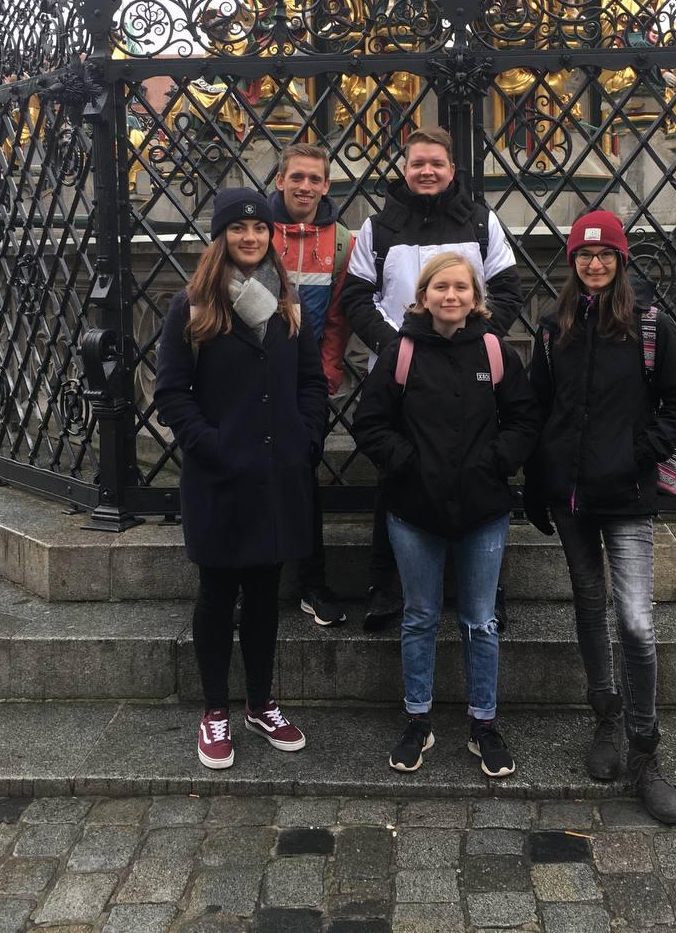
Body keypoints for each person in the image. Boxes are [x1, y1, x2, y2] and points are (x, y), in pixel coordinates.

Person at [524, 209, 676, 823]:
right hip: (571, 497)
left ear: (621, 261)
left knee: (636, 623)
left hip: (625, 494)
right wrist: (537, 481)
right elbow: (539, 407)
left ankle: (645, 747)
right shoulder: (554, 329)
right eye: (584, 255)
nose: (594, 264)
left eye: (604, 255)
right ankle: (606, 715)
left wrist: (638, 453)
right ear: (572, 261)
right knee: (588, 605)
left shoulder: (650, 326)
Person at [154, 188, 328, 770]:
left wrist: (306, 437)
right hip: (221, 477)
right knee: (216, 594)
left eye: (258, 228)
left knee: (263, 596)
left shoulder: (288, 303)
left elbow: (311, 380)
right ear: (221, 237)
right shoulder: (193, 306)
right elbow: (172, 392)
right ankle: (214, 710)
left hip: (277, 474)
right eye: (238, 228)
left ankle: (259, 702)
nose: (250, 237)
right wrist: (211, 445)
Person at [353, 253, 540, 777]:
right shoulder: (401, 352)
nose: (451, 296)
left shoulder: (495, 350)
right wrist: (406, 464)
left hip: (482, 510)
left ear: (475, 297)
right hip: (414, 510)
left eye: (460, 287)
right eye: (441, 287)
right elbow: (370, 423)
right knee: (419, 617)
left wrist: (496, 462)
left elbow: (524, 419)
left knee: (480, 620)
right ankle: (418, 719)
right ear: (424, 296)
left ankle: (484, 723)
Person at [340, 126, 524, 630]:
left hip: (470, 369)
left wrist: (478, 341)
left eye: (436, 164)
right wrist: (393, 345)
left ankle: (485, 590)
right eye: (418, 163)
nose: (427, 172)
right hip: (401, 373)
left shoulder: (481, 221)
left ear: (451, 170)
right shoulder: (378, 227)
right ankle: (385, 587)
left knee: (475, 472)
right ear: (405, 169)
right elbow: (356, 296)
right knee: (395, 474)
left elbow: (507, 289)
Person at [270, 144, 354, 628]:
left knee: (303, 482)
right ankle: (251, 583)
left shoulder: (340, 241)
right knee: (252, 480)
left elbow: (339, 317)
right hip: (254, 381)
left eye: (314, 179)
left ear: (326, 186)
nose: (305, 187)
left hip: (306, 386)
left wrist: (325, 376)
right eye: (296, 177)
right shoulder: (257, 229)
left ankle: (312, 584)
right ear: (280, 179)